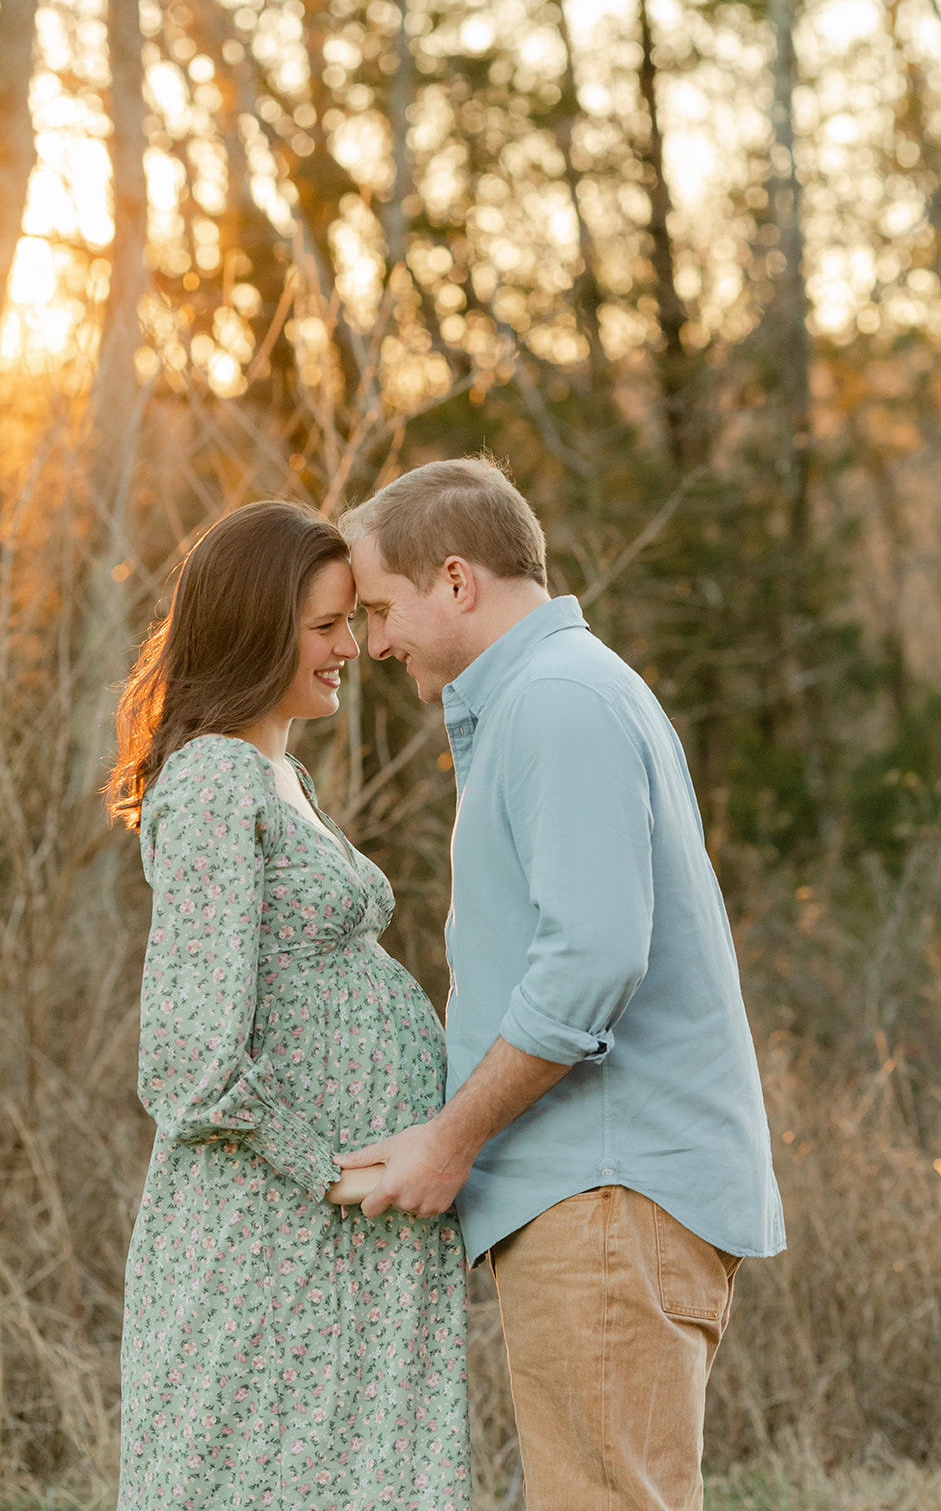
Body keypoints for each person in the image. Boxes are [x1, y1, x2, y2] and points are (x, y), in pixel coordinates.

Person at [336, 458, 786, 1511]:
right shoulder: (553, 697)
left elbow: (592, 958)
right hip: (596, 1197)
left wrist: (450, 1140)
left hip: (604, 1194)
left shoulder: (555, 702)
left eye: (376, 609)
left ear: (454, 582)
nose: (369, 642)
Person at [107, 500, 469, 1511]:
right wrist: (337, 1173)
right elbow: (185, 1057)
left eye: (350, 620)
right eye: (324, 626)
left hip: (341, 1245)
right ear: (257, 629)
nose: (350, 646)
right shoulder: (219, 779)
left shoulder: (283, 774)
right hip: (270, 1241)